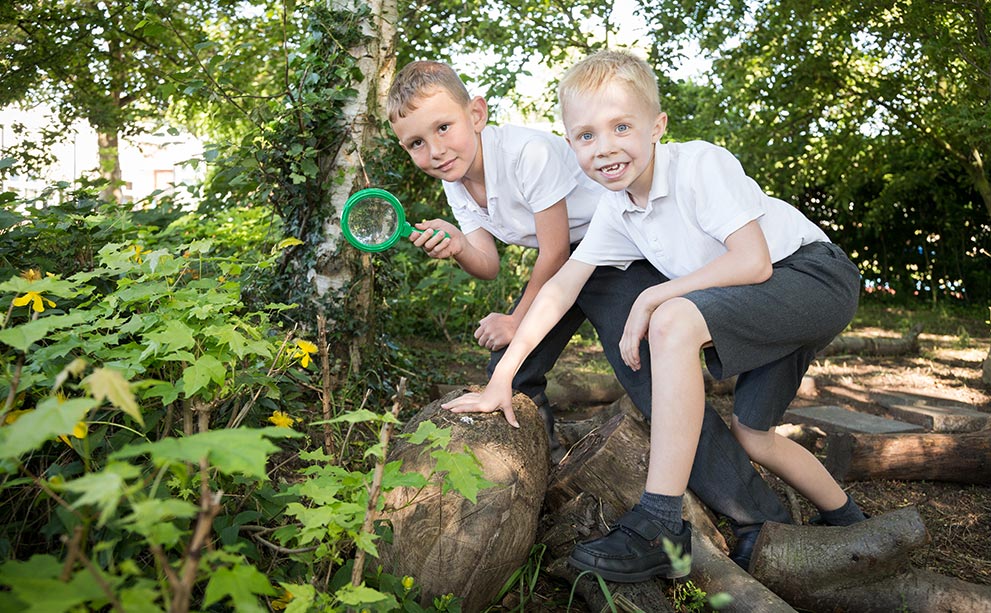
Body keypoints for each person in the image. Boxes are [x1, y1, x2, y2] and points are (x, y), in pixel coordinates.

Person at [442, 49, 868, 583]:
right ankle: (851, 524)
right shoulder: (617, 211)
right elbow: (560, 289)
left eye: (621, 126)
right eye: (586, 135)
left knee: (671, 320)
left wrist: (650, 299)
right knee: (754, 435)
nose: (605, 146)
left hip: (813, 276)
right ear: (570, 144)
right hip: (767, 301)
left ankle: (660, 523)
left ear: (657, 126)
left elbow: (753, 262)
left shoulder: (699, 165)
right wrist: (501, 378)